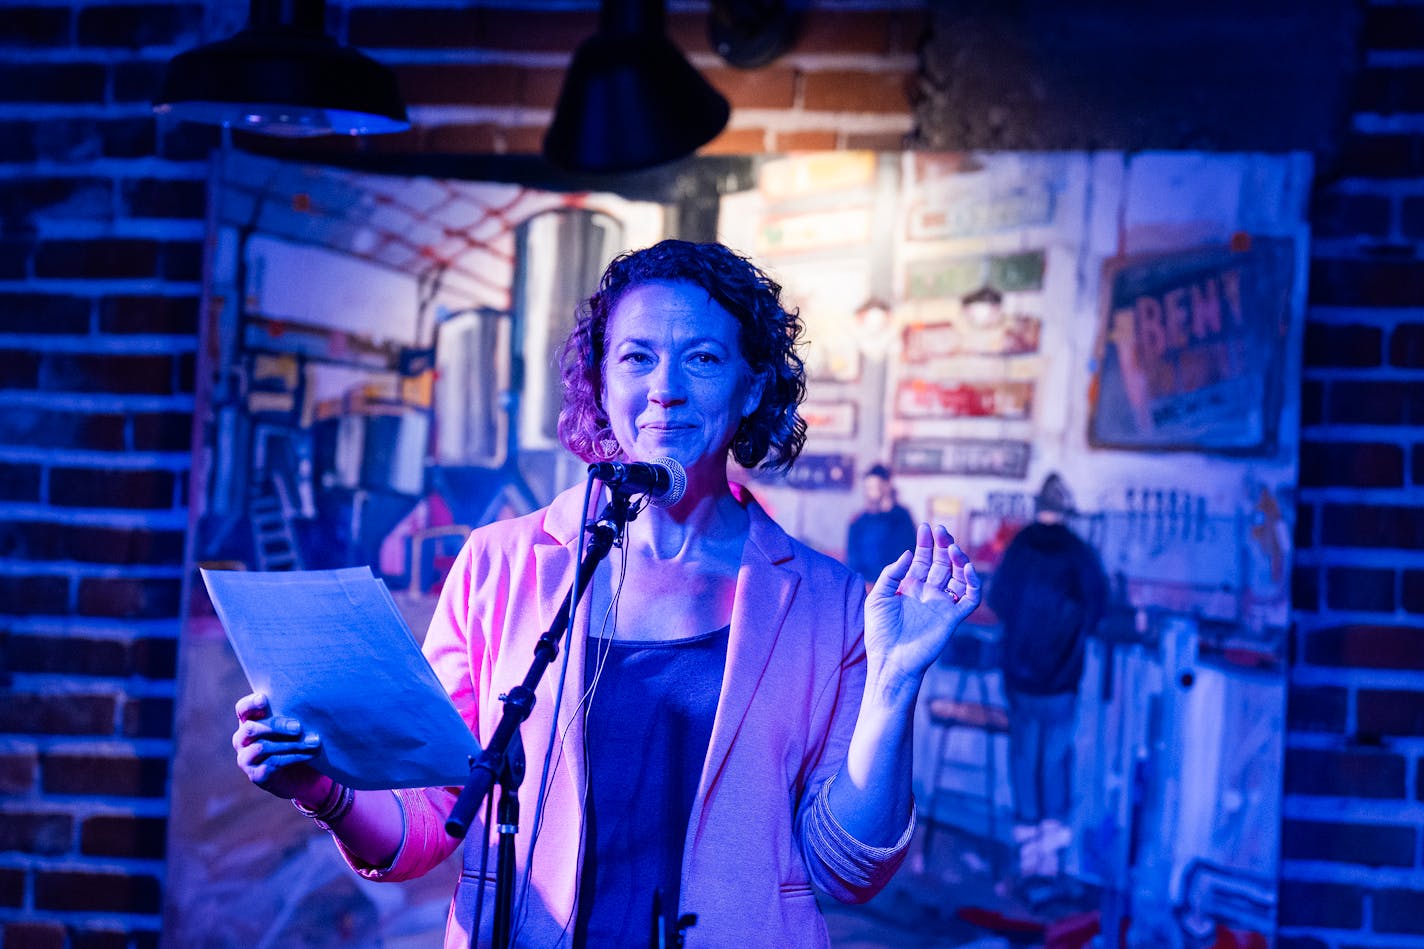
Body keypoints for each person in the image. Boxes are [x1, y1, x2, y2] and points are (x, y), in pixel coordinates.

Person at [231, 239, 981, 948]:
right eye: (637, 357)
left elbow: (847, 869)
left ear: (753, 387)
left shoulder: (829, 604)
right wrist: (323, 788)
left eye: (704, 358)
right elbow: (432, 819)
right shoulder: (501, 566)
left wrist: (894, 684)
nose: (666, 388)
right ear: (602, 378)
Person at [987, 472, 1107, 882]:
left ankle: (1027, 853)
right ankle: (1051, 854)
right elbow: (1098, 607)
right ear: (1066, 510)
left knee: (1023, 756)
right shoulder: (1080, 553)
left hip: (1020, 674)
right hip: (1063, 679)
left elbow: (999, 599)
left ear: (1039, 509)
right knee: (1055, 757)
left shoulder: (1020, 546)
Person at [846, 463, 918, 589]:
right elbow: (852, 560)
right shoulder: (858, 521)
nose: (870, 493)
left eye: (876, 487)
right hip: (866, 587)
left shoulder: (902, 517)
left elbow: (908, 553)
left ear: (887, 486)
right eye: (868, 488)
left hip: (897, 586)